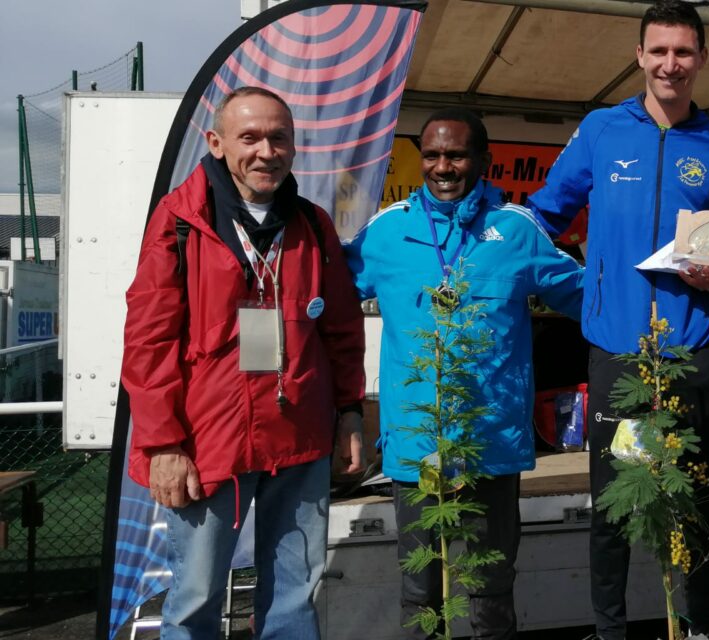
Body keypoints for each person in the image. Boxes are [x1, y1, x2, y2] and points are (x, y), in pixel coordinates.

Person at [122, 86, 366, 639]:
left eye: (279, 138)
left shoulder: (312, 224)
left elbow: (342, 329)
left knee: (294, 598)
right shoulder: (180, 219)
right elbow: (148, 341)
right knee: (195, 598)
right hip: (208, 442)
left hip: (299, 435)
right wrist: (162, 444)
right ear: (217, 143)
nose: (266, 152)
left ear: (294, 146)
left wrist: (349, 411)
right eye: (249, 137)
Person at [526, 1, 709, 637]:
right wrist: (564, 285)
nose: (671, 63)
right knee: (615, 506)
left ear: (702, 58)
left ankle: (697, 627)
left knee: (695, 500)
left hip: (693, 350)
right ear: (639, 55)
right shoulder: (602, 130)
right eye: (659, 50)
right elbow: (544, 216)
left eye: (683, 51)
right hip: (617, 351)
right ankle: (610, 631)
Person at [344, 108, 583, 640]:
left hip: (490, 442)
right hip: (417, 443)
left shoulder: (516, 229)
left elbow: (586, 297)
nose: (442, 167)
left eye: (456, 155)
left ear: (483, 160)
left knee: (490, 587)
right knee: (420, 590)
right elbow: (325, 297)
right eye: (432, 155)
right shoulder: (388, 231)